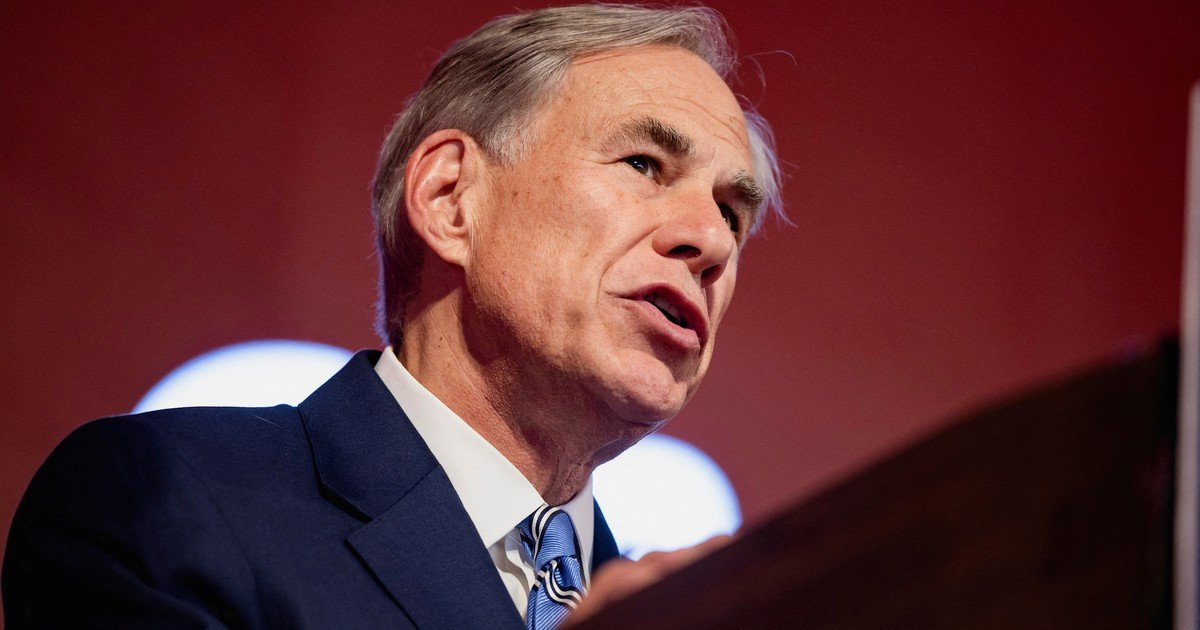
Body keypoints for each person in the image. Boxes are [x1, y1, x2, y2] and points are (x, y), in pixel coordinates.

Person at [3, 3, 782, 628]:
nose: (712, 240)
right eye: (644, 164)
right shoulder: (169, 504)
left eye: (732, 213)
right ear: (450, 199)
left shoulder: (688, 610)